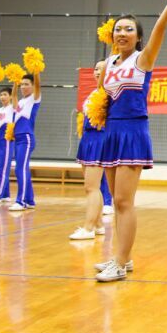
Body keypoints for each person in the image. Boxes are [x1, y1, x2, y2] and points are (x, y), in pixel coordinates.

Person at [94, 4, 167, 283]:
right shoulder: (108, 65)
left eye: (129, 29)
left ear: (138, 36)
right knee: (114, 200)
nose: (122, 33)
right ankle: (123, 256)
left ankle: (119, 264)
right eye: (118, 29)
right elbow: (102, 98)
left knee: (123, 201)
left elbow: (160, 27)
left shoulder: (143, 59)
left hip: (133, 131)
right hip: (111, 132)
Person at [72, 61, 110, 240]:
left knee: (91, 187)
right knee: (92, 187)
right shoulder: (94, 93)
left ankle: (88, 228)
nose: (97, 71)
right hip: (87, 139)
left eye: (102, 68)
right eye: (96, 68)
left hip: (98, 139)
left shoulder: (107, 92)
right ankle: (99, 224)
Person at [9, 72, 42, 212]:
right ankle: (29, 200)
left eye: (26, 84)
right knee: (23, 168)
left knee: (20, 168)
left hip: (26, 137)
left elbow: (38, 84)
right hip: (18, 138)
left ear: (33, 86)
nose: (23, 87)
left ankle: (20, 201)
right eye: (21, 84)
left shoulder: (34, 98)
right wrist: (14, 82)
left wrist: (36, 70)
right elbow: (14, 97)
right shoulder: (21, 102)